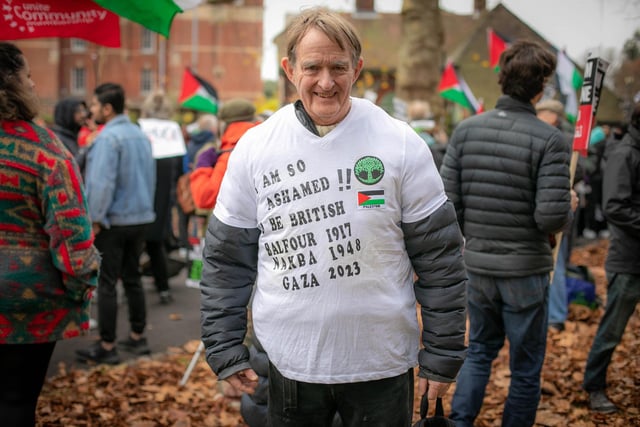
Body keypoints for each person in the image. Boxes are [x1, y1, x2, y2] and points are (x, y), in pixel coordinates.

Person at [199, 7, 468, 427]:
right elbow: (225, 262)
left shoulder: (400, 144)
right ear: (290, 70)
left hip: (382, 365)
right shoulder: (254, 148)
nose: (326, 82)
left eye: (338, 67)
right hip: (287, 365)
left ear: (356, 69)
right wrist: (224, 348)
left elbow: (441, 261)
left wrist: (442, 354)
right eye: (313, 67)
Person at [440, 40, 577, 427]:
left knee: (480, 350)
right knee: (526, 366)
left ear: (502, 80)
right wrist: (568, 206)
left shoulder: (465, 132)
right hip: (524, 273)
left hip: (479, 267)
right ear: (541, 87)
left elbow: (448, 206)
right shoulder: (550, 139)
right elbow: (551, 218)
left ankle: (460, 422)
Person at [0, 42, 100, 426]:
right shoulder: (46, 151)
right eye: (27, 75)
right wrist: (80, 290)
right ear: (12, 83)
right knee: (15, 401)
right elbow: (73, 235)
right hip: (27, 306)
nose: (34, 83)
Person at [76, 83, 156, 364]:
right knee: (132, 279)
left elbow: (100, 184)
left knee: (107, 283)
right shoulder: (139, 135)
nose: (92, 110)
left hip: (113, 221)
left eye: (95, 106)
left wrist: (94, 219)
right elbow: (150, 178)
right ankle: (138, 337)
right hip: (140, 218)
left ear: (108, 109)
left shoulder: (108, 139)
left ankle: (107, 346)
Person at [582, 103, 640, 413]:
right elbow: (616, 206)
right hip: (629, 261)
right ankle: (594, 385)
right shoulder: (624, 152)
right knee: (612, 329)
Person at [535, 99, 575, 332]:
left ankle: (556, 315)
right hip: (539, 208)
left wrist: (567, 189)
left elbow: (579, 168)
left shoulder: (564, 140)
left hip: (558, 207)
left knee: (556, 261)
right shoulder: (538, 135)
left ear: (554, 117)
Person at [139, 90, 182, 305]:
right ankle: (163, 287)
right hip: (163, 198)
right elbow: (180, 169)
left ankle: (133, 286)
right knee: (156, 244)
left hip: (142, 195)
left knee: (136, 246)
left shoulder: (142, 131)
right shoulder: (173, 134)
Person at [189, 98, 259, 212]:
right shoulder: (266, 142)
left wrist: (203, 165)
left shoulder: (230, 154)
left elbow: (205, 197)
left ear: (223, 125)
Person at [50, 96, 90, 172]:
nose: (83, 115)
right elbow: (70, 170)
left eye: (84, 110)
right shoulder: (58, 139)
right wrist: (85, 148)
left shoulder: (69, 136)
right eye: (78, 111)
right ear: (67, 113)